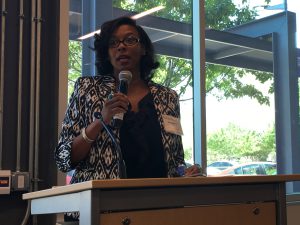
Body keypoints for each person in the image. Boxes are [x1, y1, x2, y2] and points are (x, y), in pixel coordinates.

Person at [55, 16, 200, 221]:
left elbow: (175, 160)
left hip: (158, 209)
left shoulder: (168, 97)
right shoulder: (87, 89)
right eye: (113, 43)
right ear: (107, 52)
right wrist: (100, 121)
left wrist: (186, 172)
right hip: (99, 210)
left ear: (143, 49)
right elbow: (63, 159)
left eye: (129, 40)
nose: (121, 47)